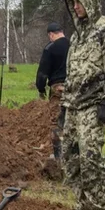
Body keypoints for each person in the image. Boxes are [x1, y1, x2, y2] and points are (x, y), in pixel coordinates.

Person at [59, 0, 105, 210]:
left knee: (90, 157)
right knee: (69, 156)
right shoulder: (78, 35)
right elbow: (72, 71)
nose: (76, 7)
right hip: (73, 104)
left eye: (79, 2)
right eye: (73, 2)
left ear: (91, 1)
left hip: (94, 103)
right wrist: (64, 105)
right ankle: (85, 205)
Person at [36, 21, 70, 161]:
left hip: (58, 88)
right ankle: (74, 154)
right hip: (76, 88)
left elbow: (43, 71)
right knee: (73, 121)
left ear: (51, 34)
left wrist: (41, 88)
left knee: (57, 122)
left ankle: (58, 157)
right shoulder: (73, 45)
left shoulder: (50, 48)